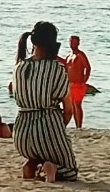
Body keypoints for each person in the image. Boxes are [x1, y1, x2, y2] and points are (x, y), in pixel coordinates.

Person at [11, 21, 78, 182]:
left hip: (21, 135)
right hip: (47, 128)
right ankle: (51, 166)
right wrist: (58, 131)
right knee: (70, 171)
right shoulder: (56, 69)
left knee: (41, 150)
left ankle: (34, 164)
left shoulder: (18, 67)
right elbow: (68, 110)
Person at [62, 35, 91, 129]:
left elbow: (88, 67)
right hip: (70, 84)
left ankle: (79, 126)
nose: (72, 44)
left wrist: (84, 80)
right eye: (71, 42)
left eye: (74, 42)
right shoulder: (69, 56)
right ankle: (75, 125)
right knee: (72, 106)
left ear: (78, 43)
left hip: (78, 84)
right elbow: (65, 65)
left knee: (77, 104)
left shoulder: (80, 55)